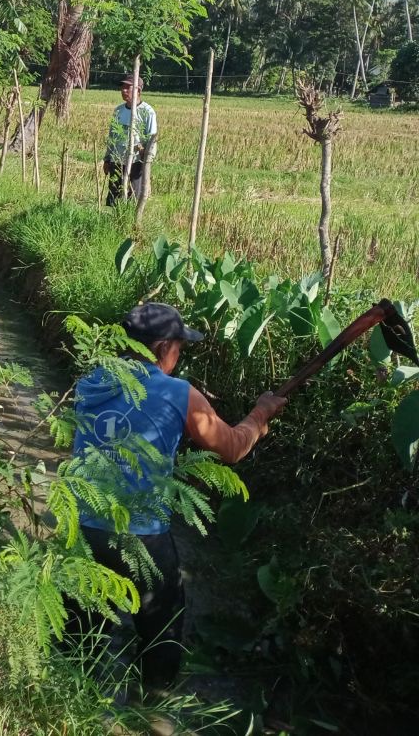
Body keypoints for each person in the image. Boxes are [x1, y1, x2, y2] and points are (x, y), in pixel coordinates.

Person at [69, 302, 287, 693]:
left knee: (79, 638)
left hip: (83, 526)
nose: (179, 356)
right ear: (164, 347)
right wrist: (260, 414)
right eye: (179, 348)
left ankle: (66, 703)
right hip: (142, 535)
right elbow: (233, 448)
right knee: (161, 630)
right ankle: (153, 705)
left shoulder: (89, 382)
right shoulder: (177, 393)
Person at [104, 73, 157, 206]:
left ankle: (130, 224)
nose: (124, 90)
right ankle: (114, 223)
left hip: (135, 162)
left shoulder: (147, 111)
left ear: (138, 90)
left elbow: (152, 139)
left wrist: (147, 158)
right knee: (114, 197)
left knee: (132, 198)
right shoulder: (118, 111)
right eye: (123, 87)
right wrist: (107, 159)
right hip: (117, 160)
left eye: (128, 87)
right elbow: (112, 137)